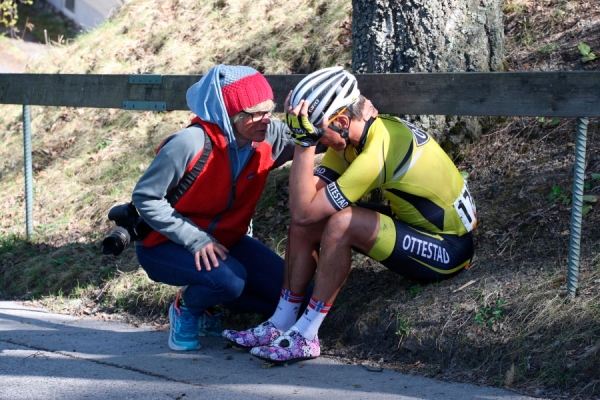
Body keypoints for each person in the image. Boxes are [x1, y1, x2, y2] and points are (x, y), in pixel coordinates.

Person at [222, 66, 477, 364]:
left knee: (342, 222)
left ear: (342, 121)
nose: (318, 140)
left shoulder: (376, 153)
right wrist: (306, 139)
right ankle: (281, 320)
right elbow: (303, 211)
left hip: (448, 248)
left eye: (319, 132)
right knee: (310, 222)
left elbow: (305, 210)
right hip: (416, 225)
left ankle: (307, 335)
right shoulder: (353, 139)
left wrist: (303, 145)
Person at [132, 64, 310, 352]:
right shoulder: (189, 143)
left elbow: (313, 136)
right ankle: (186, 308)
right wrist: (195, 239)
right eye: (256, 114)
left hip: (227, 242)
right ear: (230, 115)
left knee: (296, 295)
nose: (267, 120)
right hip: (165, 245)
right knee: (229, 281)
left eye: (270, 111)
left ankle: (213, 306)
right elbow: (146, 197)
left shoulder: (266, 136)